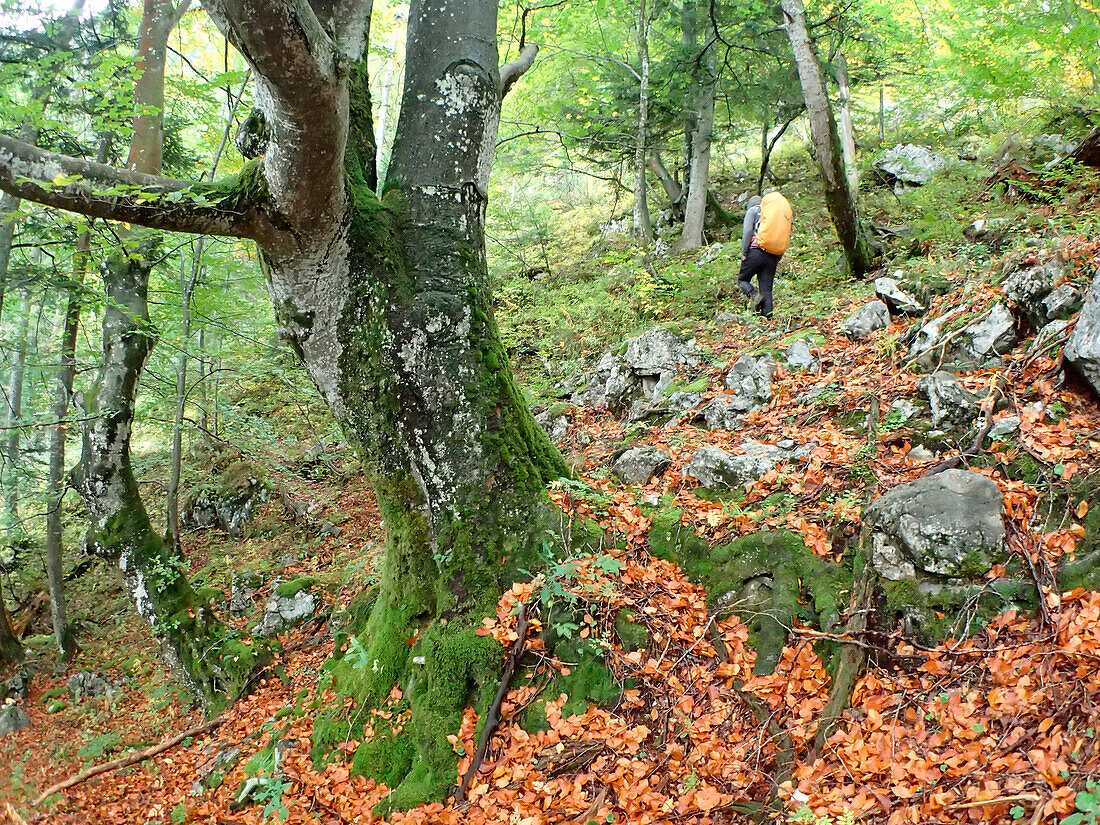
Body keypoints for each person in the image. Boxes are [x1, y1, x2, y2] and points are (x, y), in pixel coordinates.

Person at [737, 190, 792, 318]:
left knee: (742, 280)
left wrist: (744, 252)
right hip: (773, 255)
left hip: (755, 251)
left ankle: (755, 296)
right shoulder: (769, 214)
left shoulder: (752, 211)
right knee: (766, 289)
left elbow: (747, 231)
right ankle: (768, 319)